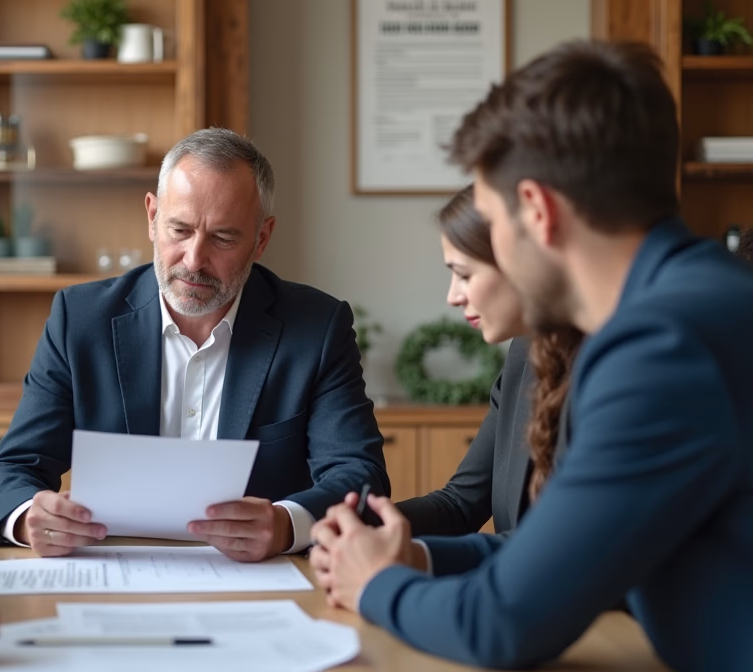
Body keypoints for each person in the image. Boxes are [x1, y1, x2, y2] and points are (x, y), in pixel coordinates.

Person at [310, 40, 753, 671]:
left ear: (539, 212)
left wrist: (375, 584)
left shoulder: (662, 347)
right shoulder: (701, 298)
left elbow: (501, 626)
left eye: (492, 220)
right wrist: (413, 559)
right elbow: (567, 555)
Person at [0, 128, 389, 562]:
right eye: (180, 229)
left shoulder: (317, 328)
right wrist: (28, 517)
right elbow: (9, 471)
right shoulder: (80, 320)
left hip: (261, 580)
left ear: (261, 239)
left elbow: (360, 475)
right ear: (152, 217)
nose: (194, 260)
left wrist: (287, 524)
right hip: (114, 570)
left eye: (224, 238)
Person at [395, 186, 581, 538]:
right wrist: (362, 523)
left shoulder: (608, 369)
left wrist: (411, 555)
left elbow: (554, 544)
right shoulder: (524, 355)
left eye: (464, 274)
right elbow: (460, 503)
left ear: (523, 266)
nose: (452, 296)